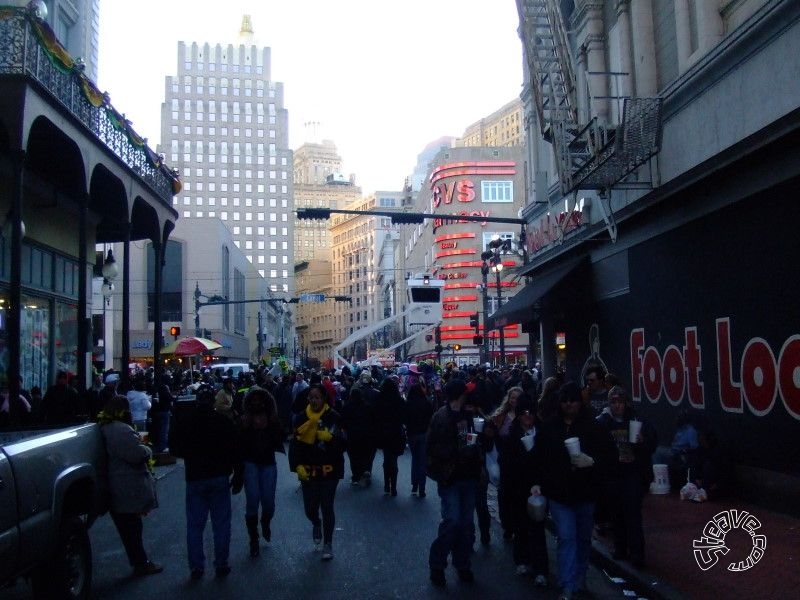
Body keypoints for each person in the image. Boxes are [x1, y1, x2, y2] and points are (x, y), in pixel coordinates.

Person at [530, 381, 615, 600]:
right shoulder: (550, 428)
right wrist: (539, 481)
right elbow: (539, 458)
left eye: (573, 401)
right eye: (565, 401)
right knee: (567, 536)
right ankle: (568, 583)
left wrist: (591, 461)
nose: (569, 405)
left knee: (583, 537)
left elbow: (608, 455)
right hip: (560, 493)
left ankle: (578, 577)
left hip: (585, 492)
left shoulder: (593, 428)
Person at [169, 383, 244, 579]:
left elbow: (174, 448)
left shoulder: (186, 421)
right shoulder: (223, 422)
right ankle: (221, 563)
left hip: (195, 477)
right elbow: (236, 448)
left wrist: (190, 455)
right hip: (219, 475)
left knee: (195, 525)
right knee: (221, 523)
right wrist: (238, 474)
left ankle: (196, 566)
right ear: (212, 401)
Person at [426, 378, 483, 587]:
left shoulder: (471, 414)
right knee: (452, 522)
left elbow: (479, 440)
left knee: (466, 525)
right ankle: (437, 564)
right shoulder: (441, 417)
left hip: (468, 475)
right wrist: (455, 453)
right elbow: (431, 449)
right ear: (459, 394)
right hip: (450, 477)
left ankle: (462, 564)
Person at [98, 394, 162, 576]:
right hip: (125, 484)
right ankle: (141, 562)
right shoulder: (120, 430)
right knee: (132, 529)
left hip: (118, 482)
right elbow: (136, 454)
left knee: (129, 528)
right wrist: (147, 449)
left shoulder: (106, 428)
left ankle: (139, 561)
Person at [595, 385, 657, 568]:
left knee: (633, 514)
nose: (617, 406)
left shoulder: (637, 419)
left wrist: (642, 442)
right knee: (617, 514)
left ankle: (637, 553)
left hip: (632, 473)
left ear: (626, 403)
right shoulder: (603, 421)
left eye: (620, 402)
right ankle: (621, 548)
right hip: (613, 473)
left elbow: (651, 444)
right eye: (613, 402)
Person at [288, 383, 346, 561]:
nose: (314, 400)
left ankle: (328, 543)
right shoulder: (300, 418)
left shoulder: (333, 417)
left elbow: (344, 443)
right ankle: (315, 522)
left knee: (327, 505)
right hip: (309, 470)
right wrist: (297, 465)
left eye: (317, 397)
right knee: (310, 507)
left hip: (330, 469)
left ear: (324, 399)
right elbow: (295, 444)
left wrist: (332, 438)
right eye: (311, 397)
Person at [239, 386, 285, 557]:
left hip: (267, 462)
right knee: (252, 499)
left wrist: (271, 424)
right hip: (250, 462)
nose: (257, 404)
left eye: (260, 401)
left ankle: (265, 521)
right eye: (253, 402)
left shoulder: (272, 420)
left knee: (268, 501)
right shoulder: (245, 421)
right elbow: (238, 443)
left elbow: (281, 435)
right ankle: (253, 538)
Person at [507, 409, 549, 585]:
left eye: (530, 412)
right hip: (519, 487)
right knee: (521, 526)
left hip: (538, 489)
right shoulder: (513, 436)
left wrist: (541, 483)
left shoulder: (542, 435)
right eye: (524, 412)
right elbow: (508, 461)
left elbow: (548, 460)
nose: (527, 415)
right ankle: (522, 560)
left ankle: (541, 569)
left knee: (538, 529)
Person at [492, 386, 525, 540]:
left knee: (518, 495)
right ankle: (507, 525)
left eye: (518, 398)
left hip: (522, 462)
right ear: (508, 398)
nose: (515, 401)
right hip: (504, 460)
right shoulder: (502, 415)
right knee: (504, 494)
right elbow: (493, 433)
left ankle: (519, 525)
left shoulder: (526, 415)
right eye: (512, 397)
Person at [373, 376, 407, 496]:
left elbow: (375, 417)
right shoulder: (399, 400)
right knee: (394, 460)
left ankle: (387, 484)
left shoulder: (379, 400)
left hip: (383, 432)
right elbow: (404, 416)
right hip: (396, 432)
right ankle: (394, 486)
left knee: (387, 458)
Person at [339, 386, 376, 487]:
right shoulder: (367, 406)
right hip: (366, 434)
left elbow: (343, 422)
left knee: (354, 456)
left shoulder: (347, 407)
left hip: (352, 435)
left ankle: (356, 476)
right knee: (366, 454)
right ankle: (366, 470)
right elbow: (373, 420)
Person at [405, 381, 435, 497]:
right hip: (424, 434)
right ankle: (422, 488)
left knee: (415, 460)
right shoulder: (427, 403)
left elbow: (405, 419)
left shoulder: (408, 403)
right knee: (422, 461)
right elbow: (431, 419)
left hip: (412, 435)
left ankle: (414, 485)